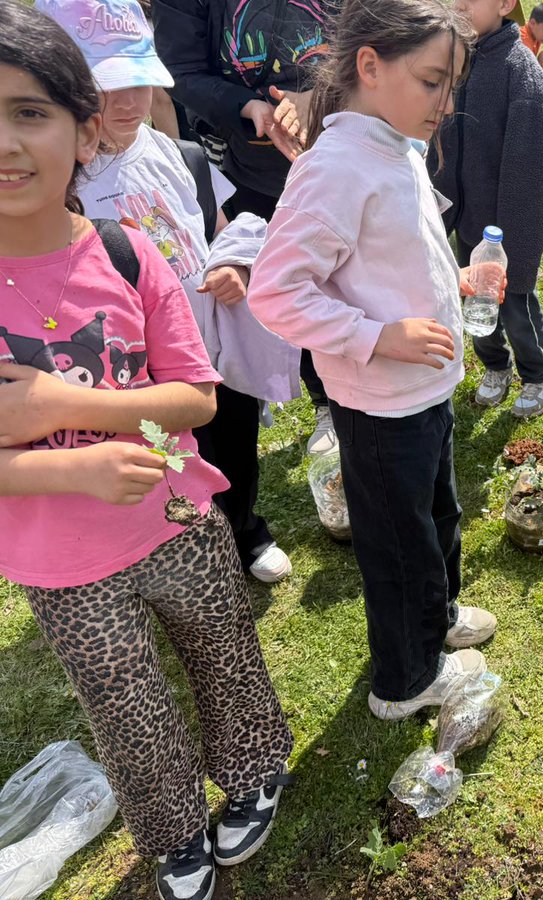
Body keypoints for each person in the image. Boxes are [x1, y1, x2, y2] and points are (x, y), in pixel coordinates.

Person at [0, 5, 294, 899]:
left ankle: (253, 770)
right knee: (125, 704)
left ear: (86, 132)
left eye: (29, 112)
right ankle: (173, 835)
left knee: (224, 649)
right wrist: (71, 466)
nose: (6, 143)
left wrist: (63, 405)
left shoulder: (129, 258)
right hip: (61, 563)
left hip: (178, 515)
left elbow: (195, 396)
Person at [250, 0, 499, 720]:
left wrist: (454, 281)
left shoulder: (394, 146)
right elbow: (275, 291)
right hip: (380, 404)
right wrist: (376, 336)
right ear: (369, 65)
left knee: (438, 515)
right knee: (398, 547)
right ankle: (407, 678)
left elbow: (395, 252)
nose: (445, 105)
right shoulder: (334, 168)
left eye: (451, 85)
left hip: (424, 391)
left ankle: (439, 613)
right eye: (431, 82)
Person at [39, 0, 301, 583]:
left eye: (140, 81)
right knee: (169, 458)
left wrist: (237, 267)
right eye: (109, 87)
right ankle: (175, 549)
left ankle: (243, 527)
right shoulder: (56, 187)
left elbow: (220, 231)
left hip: (210, 344)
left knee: (232, 438)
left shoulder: (176, 154)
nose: (130, 102)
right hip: (136, 369)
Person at [153, 0, 342, 455]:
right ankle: (324, 401)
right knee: (282, 283)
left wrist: (320, 98)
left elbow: (379, 43)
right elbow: (179, 70)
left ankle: (349, 396)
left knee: (343, 278)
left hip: (338, 149)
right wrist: (248, 106)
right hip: (248, 166)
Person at [430, 0, 543, 418]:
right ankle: (495, 366)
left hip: (506, 231)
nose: (459, 4)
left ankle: (536, 375)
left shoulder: (521, 73)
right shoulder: (453, 56)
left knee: (515, 306)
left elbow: (533, 172)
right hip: (467, 220)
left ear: (505, 5)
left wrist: (515, 250)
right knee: (476, 306)